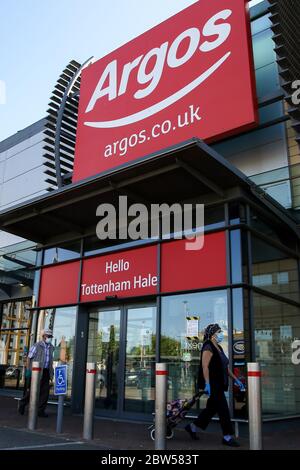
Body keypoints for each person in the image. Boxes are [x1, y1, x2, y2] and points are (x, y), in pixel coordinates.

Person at [185, 323, 244, 447]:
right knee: (223, 409)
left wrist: (235, 379)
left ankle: (192, 427)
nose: (221, 334)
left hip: (219, 383)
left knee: (211, 409)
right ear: (212, 335)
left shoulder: (219, 348)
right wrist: (207, 384)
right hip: (212, 384)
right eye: (219, 332)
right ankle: (227, 437)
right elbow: (205, 366)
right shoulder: (208, 346)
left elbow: (225, 367)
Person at [18, 329, 54, 417]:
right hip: (36, 371)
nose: (50, 338)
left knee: (45, 393)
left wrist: (51, 373)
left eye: (51, 337)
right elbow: (29, 358)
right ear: (44, 336)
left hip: (46, 371)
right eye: (48, 336)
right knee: (33, 391)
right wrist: (29, 371)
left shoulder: (51, 347)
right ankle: (22, 403)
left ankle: (40, 411)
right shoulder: (36, 345)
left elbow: (50, 361)